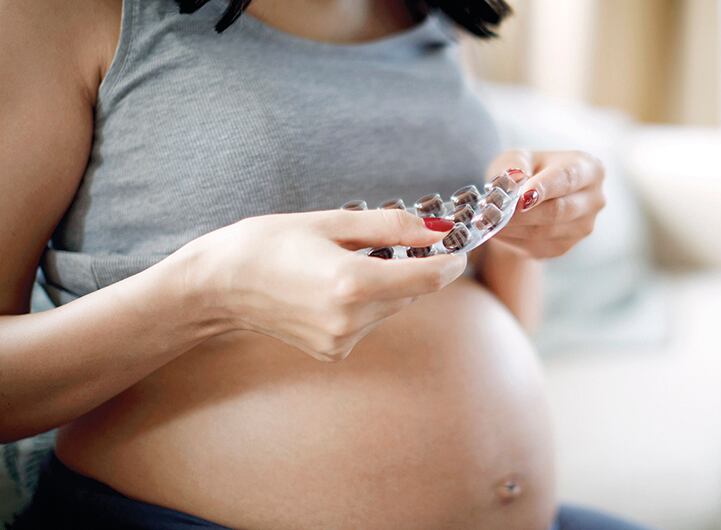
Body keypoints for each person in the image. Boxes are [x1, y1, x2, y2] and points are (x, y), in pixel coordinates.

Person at [0, 0, 646, 528]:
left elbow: (484, 311)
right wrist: (207, 291)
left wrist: (519, 224)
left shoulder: (438, 19)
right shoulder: (60, 14)